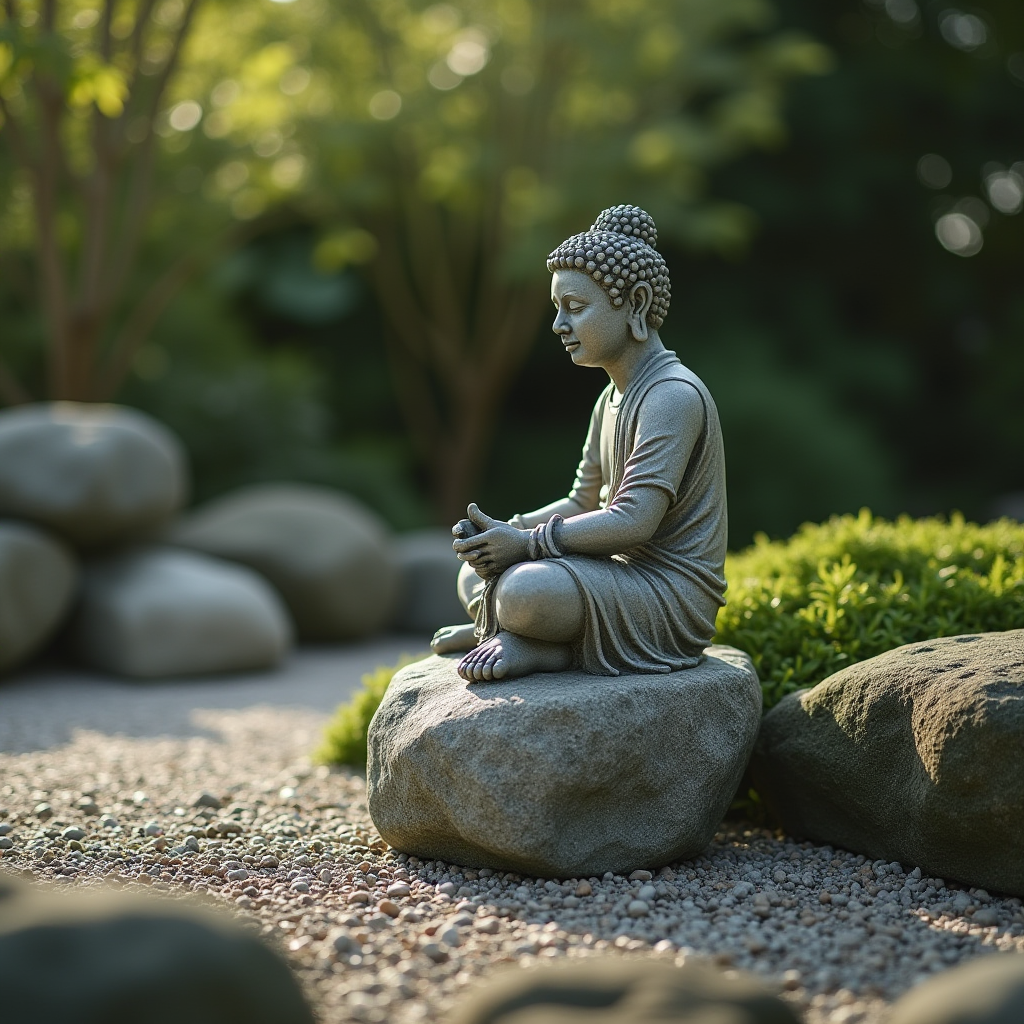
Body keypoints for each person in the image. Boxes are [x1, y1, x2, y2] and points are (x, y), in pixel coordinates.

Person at [431, 205, 728, 682]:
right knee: (474, 573)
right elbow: (582, 500)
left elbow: (634, 521)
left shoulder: (673, 395)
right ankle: (513, 631)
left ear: (635, 303)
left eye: (574, 307)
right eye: (557, 309)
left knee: (525, 592)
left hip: (667, 593)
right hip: (611, 574)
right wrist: (505, 532)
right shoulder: (610, 397)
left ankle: (547, 650)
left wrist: (526, 545)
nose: (558, 325)